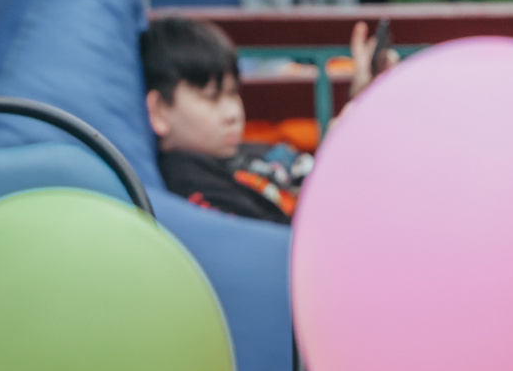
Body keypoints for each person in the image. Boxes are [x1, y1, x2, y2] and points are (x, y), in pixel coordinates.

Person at [142, 14, 387, 223]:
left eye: (233, 93)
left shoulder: (234, 154)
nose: (233, 113)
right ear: (160, 111)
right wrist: (345, 146)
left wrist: (363, 102)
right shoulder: (193, 189)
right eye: (212, 97)